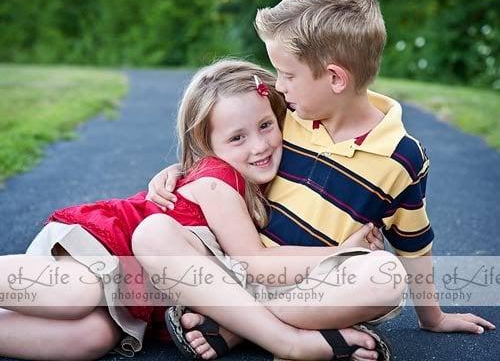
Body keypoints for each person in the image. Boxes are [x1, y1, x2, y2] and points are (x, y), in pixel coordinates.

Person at [145, 0, 495, 360]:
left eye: (288, 74)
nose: (278, 85)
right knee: (154, 232)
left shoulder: (402, 157)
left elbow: (413, 244)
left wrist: (433, 317)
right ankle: (282, 336)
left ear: (335, 78)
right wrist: (178, 172)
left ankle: (237, 323)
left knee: (386, 277)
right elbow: (229, 150)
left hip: (317, 285)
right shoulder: (284, 118)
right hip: (235, 264)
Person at [0, 59, 391, 361]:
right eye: (237, 137)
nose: (258, 146)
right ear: (208, 145)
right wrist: (341, 254)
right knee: (77, 293)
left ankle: (260, 330)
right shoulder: (219, 179)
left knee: (91, 339)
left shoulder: (256, 181)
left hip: (132, 296)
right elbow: (255, 264)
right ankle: (289, 341)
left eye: (265, 126)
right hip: (106, 250)